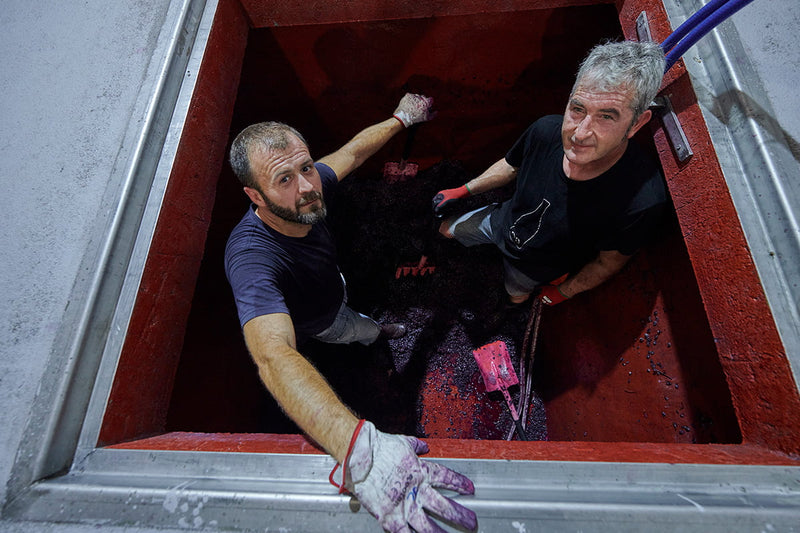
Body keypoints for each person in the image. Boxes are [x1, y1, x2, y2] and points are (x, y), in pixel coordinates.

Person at [224, 94, 477, 533]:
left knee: (356, 312)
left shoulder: (310, 186)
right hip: (323, 322)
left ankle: (376, 330)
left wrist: (400, 119)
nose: (307, 187)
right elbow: (273, 354)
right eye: (284, 179)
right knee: (355, 330)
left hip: (333, 285)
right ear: (254, 195)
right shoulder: (251, 257)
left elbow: (353, 152)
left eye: (306, 168)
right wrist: (356, 447)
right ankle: (376, 335)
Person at [433, 41, 667, 313]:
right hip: (501, 221)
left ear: (636, 123)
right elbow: (510, 166)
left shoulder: (640, 199)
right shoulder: (545, 131)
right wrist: (464, 190)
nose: (580, 133)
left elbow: (607, 262)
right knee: (447, 230)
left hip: (534, 268)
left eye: (606, 116)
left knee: (515, 293)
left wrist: (564, 292)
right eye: (578, 109)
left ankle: (510, 308)